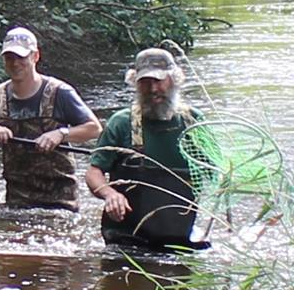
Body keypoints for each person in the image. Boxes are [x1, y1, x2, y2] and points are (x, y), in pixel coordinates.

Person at [84, 47, 208, 252]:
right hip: (125, 240)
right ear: (135, 83)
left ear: (174, 80)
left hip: (180, 238)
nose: (152, 89)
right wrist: (109, 194)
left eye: (159, 81)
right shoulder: (121, 123)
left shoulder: (193, 122)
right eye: (145, 82)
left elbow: (213, 171)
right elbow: (94, 171)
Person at [0, 27, 102, 208]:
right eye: (9, 58)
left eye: (21, 57)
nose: (15, 63)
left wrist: (61, 134)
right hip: (16, 200)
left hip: (61, 200)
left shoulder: (59, 92)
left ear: (35, 56)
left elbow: (94, 129)